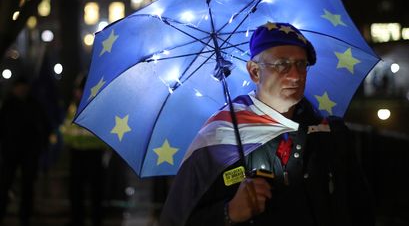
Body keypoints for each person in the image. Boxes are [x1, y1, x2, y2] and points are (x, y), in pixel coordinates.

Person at [160, 22, 375, 226]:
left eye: (301, 64)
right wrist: (229, 214)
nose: (296, 76)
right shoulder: (220, 137)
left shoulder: (330, 132)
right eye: (282, 65)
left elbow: (360, 210)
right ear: (254, 71)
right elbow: (178, 220)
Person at [0, 77, 51, 226]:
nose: (22, 89)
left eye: (24, 86)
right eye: (19, 87)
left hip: (29, 153)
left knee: (27, 187)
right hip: (11, 152)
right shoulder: (8, 105)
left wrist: (41, 145)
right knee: (5, 185)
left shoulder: (34, 104)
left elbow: (44, 126)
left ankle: (25, 217)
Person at [62, 76, 107, 226]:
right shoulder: (72, 109)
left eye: (80, 90)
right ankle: (77, 220)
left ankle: (96, 220)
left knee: (95, 193)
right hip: (77, 154)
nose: (77, 94)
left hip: (93, 154)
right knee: (76, 192)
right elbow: (66, 131)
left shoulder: (96, 109)